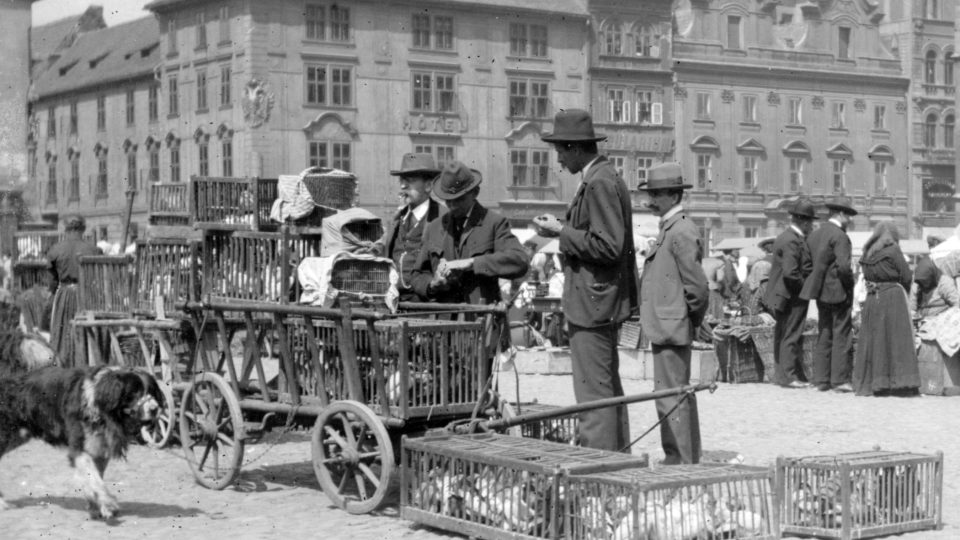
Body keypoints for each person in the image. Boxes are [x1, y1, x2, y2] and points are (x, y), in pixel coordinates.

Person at [532, 108, 639, 453]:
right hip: (598, 300)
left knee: (593, 395)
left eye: (560, 152)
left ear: (576, 148)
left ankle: (599, 468)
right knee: (606, 388)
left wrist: (560, 231)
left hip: (592, 303)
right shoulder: (603, 178)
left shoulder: (599, 183)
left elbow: (609, 246)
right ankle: (618, 459)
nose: (559, 160)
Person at [637, 162, 709, 464]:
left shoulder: (679, 231)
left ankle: (679, 458)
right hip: (668, 324)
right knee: (676, 394)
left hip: (671, 326)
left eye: (655, 194)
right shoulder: (672, 229)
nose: (650, 200)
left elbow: (698, 288)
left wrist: (685, 318)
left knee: (671, 396)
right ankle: (684, 455)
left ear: (671, 195)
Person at [410, 161, 529, 306]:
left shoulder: (494, 223)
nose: (452, 206)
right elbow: (417, 275)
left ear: (475, 193)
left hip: (481, 319)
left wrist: (472, 263)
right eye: (448, 200)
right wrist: (432, 284)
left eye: (459, 199)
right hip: (444, 322)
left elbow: (520, 261)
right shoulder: (434, 228)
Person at [852, 222, 919, 397]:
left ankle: (875, 382)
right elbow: (906, 275)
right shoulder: (893, 250)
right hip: (892, 297)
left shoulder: (867, 252)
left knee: (874, 341)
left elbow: (865, 277)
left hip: (873, 299)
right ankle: (900, 384)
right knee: (897, 341)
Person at [369, 153, 444, 302]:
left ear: (428, 185)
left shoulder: (443, 218)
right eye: (402, 180)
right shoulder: (397, 219)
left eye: (411, 180)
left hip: (427, 307)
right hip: (394, 304)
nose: (403, 186)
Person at [800, 196, 857, 392]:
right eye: (849, 216)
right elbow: (843, 267)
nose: (850, 220)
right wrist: (851, 284)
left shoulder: (815, 235)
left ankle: (821, 379)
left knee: (824, 333)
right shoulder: (840, 236)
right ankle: (839, 380)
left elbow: (806, 266)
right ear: (840, 214)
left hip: (821, 293)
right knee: (842, 334)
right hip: (839, 291)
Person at [762, 199, 816, 387]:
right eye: (811, 222)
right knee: (791, 335)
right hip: (792, 295)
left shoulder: (785, 237)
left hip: (782, 295)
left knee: (783, 334)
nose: (812, 226)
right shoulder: (793, 240)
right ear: (805, 222)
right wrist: (805, 288)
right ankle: (789, 376)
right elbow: (791, 272)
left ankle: (782, 375)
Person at [46, 216, 101, 366]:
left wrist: (52, 293)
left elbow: (52, 282)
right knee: (85, 330)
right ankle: (85, 362)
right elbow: (99, 278)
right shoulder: (94, 249)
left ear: (66, 229)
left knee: (62, 330)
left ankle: (61, 362)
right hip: (86, 296)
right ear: (82, 229)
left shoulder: (55, 250)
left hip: (64, 294)